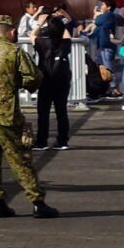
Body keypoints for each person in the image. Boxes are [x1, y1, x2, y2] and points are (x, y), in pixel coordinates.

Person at [0, 15, 57, 218]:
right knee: (20, 157)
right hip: (6, 113)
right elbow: (33, 77)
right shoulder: (14, 51)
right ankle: (37, 201)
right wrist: (17, 83)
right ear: (11, 31)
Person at [33, 12, 73, 149]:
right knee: (61, 111)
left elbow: (32, 36)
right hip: (62, 79)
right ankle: (62, 141)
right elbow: (67, 35)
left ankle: (41, 141)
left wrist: (40, 22)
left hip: (45, 79)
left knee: (43, 112)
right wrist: (61, 22)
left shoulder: (42, 42)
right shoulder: (65, 43)